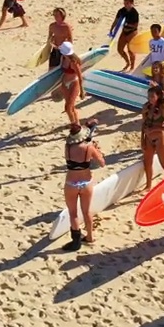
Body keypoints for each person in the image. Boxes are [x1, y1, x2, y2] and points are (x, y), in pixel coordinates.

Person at [62, 120, 105, 251]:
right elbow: (102, 163)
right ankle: (90, 236)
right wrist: (97, 150)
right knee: (87, 212)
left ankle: (75, 242)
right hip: (86, 182)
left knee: (73, 213)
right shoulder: (89, 147)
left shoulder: (67, 147)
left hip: (71, 183)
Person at [140, 84, 164, 191]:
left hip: (159, 138)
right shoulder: (147, 106)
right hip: (148, 138)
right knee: (147, 163)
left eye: (152, 96)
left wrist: (155, 129)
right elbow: (144, 123)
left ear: (158, 96)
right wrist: (142, 139)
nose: (150, 99)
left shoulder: (163, 108)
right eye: (148, 96)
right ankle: (148, 185)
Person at [57, 42, 85, 126]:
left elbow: (80, 77)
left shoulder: (74, 63)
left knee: (68, 108)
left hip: (73, 84)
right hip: (65, 85)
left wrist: (82, 91)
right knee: (71, 107)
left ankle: (74, 125)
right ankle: (76, 123)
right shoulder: (63, 58)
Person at [111, 0, 139, 72]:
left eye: (127, 3)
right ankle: (127, 63)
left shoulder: (134, 13)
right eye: (124, 3)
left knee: (131, 50)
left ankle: (132, 66)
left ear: (131, 3)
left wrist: (126, 24)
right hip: (124, 32)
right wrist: (111, 29)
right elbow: (116, 21)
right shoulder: (121, 11)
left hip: (132, 32)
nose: (125, 5)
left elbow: (135, 25)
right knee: (119, 49)